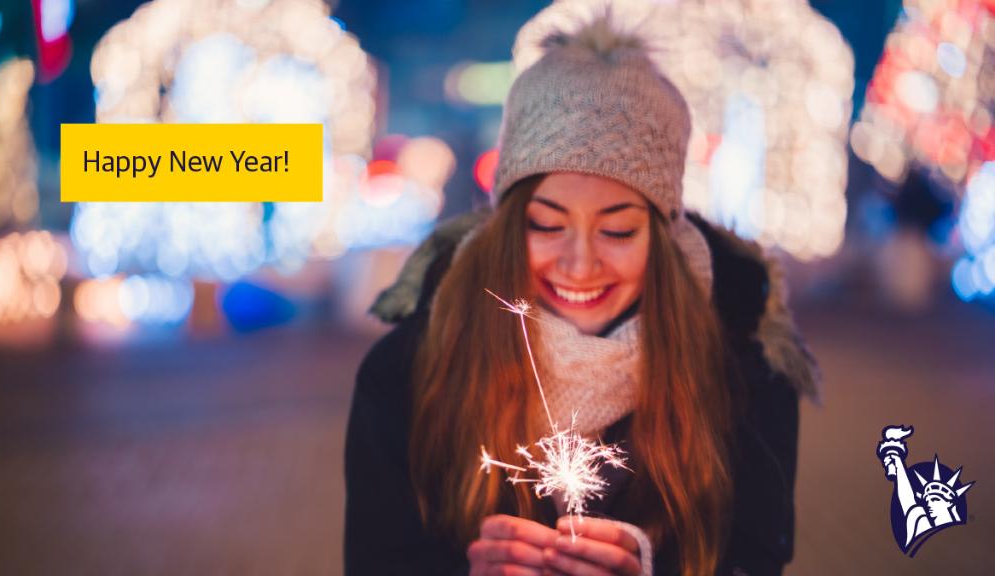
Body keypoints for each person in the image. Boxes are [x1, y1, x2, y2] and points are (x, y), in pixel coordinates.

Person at [344, 11, 819, 576]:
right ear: (508, 225)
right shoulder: (406, 374)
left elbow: (753, 557)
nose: (579, 263)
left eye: (617, 230)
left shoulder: (744, 374)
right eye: (547, 224)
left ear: (664, 236)